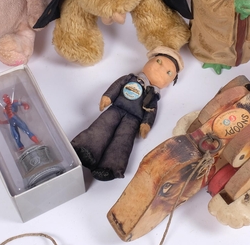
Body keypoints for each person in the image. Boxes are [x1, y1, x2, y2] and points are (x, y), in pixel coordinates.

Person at [71, 47, 183, 181]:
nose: (160, 69)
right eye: (159, 62)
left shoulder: (153, 96)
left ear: (170, 82)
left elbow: (151, 111)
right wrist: (108, 97)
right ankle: (87, 149)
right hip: (116, 109)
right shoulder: (130, 79)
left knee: (123, 142)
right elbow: (117, 85)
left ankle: (110, 167)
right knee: (101, 127)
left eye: (169, 72)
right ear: (150, 60)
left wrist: (146, 124)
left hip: (132, 121)